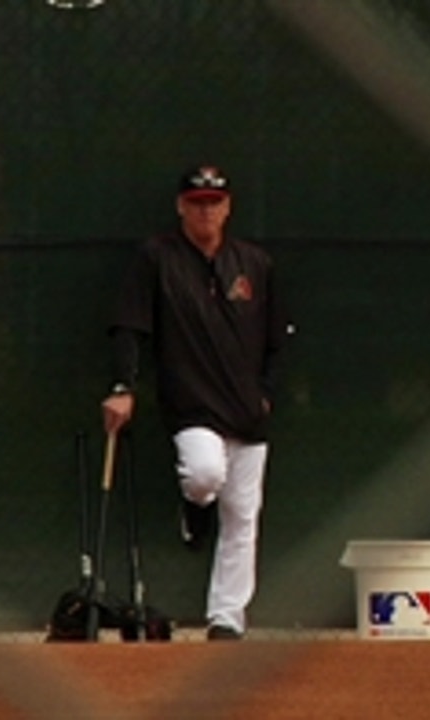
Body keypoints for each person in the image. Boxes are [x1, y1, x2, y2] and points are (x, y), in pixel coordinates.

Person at [99, 165, 290, 642]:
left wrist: (267, 393)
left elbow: (278, 340)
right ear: (181, 206)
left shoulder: (254, 263)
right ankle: (194, 504)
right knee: (205, 475)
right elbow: (130, 325)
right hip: (192, 403)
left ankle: (226, 618)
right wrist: (123, 386)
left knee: (243, 518)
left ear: (227, 207)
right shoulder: (158, 258)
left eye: (214, 202)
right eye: (196, 201)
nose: (205, 210)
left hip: (247, 409)